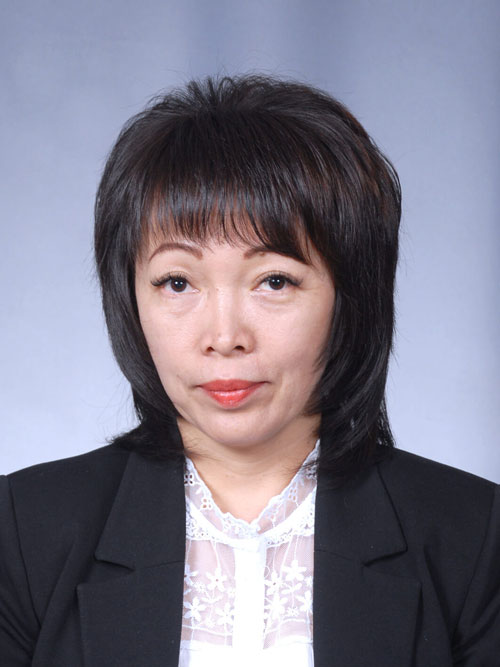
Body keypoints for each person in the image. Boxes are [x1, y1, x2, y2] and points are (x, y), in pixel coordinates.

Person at [0, 74, 498, 667]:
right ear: (129, 298)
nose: (224, 337)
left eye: (274, 281)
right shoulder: (22, 533)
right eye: (177, 282)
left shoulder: (474, 538)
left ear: (351, 295)